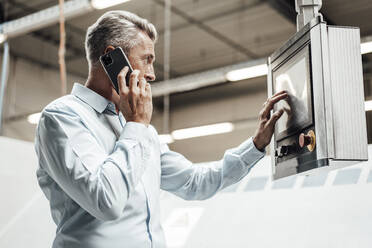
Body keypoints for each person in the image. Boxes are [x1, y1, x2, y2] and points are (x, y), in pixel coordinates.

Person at [34, 10, 287, 248]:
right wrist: (135, 125)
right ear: (111, 56)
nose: (152, 75)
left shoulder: (140, 130)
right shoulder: (62, 118)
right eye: (147, 60)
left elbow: (195, 182)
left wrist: (256, 145)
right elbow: (105, 201)